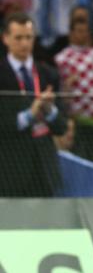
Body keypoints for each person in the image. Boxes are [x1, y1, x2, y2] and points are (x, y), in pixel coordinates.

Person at [0, 12, 67, 197]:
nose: (24, 43)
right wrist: (28, 115)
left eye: (28, 37)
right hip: (9, 171)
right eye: (18, 38)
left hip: (45, 170)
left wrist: (49, 110)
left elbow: (61, 126)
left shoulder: (48, 73)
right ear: (5, 38)